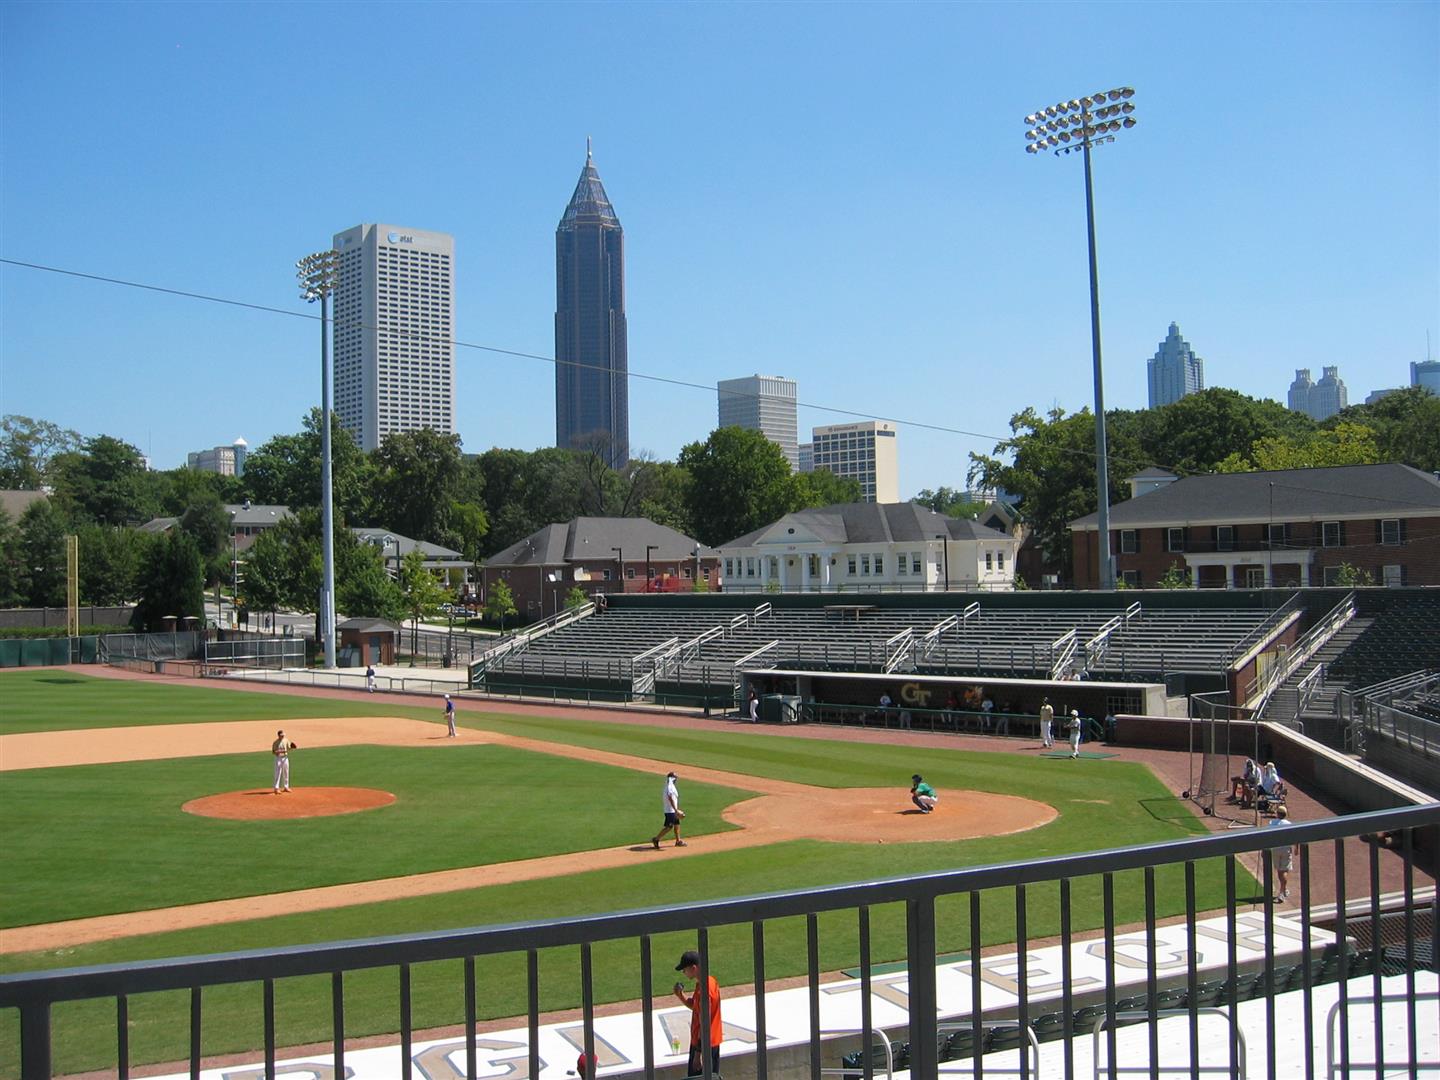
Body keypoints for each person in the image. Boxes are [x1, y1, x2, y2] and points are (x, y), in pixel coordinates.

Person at [672, 949, 721, 1078]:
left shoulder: (704, 989)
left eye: (685, 969)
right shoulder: (709, 982)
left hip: (704, 1046)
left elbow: (704, 1022)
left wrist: (698, 1054)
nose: (683, 972)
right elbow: (696, 1006)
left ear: (694, 968)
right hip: (709, 1043)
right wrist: (681, 996)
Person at [1269, 804, 1297, 903]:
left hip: (1275, 849)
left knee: (1280, 872)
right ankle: (1282, 892)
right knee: (1283, 871)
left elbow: (1268, 836)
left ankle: (1283, 890)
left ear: (1277, 814)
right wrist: (1296, 848)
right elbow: (1295, 836)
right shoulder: (1289, 824)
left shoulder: (1272, 822)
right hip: (1285, 849)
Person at [652, 770, 686, 848]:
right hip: (670, 810)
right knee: (669, 827)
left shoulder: (670, 786)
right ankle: (656, 839)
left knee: (677, 824)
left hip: (672, 810)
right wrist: (676, 810)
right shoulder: (669, 787)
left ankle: (678, 841)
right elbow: (670, 797)